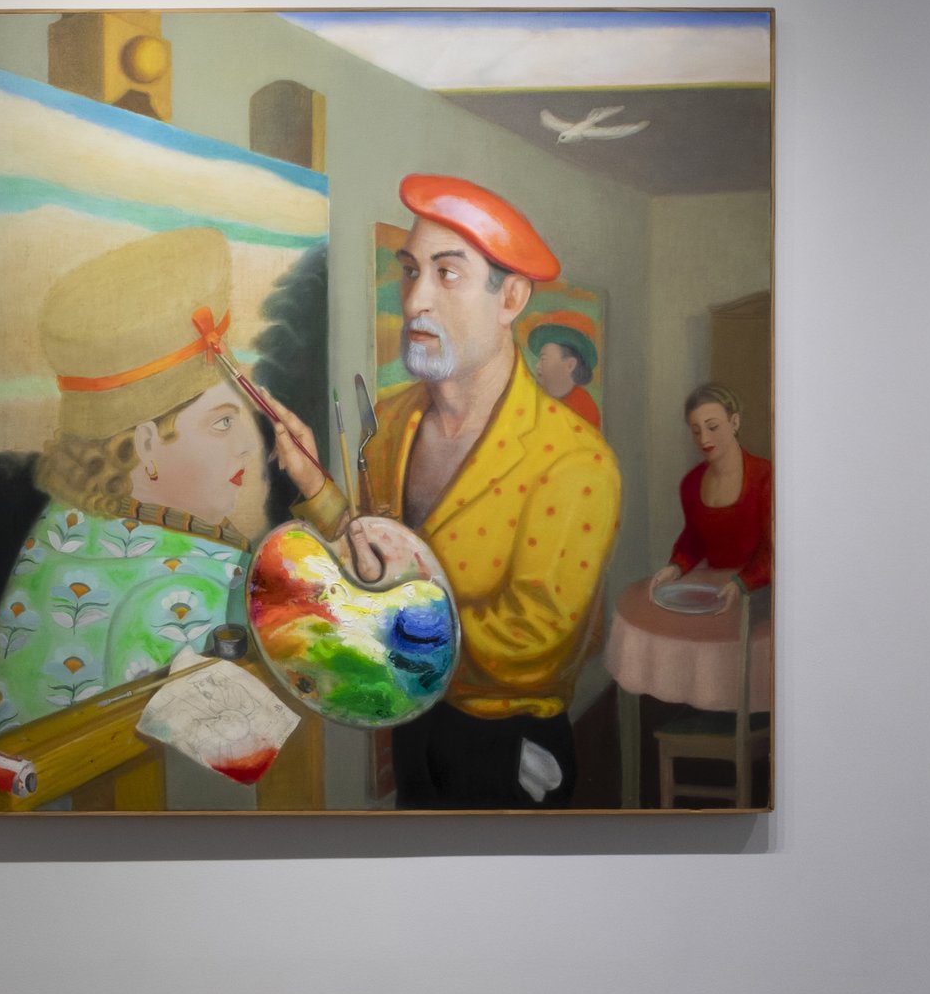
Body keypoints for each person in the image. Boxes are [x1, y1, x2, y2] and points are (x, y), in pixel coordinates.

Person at [270, 174, 622, 809]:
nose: (415, 302)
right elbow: (370, 554)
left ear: (510, 296)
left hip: (507, 748)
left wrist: (373, 626)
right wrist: (312, 481)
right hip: (413, 729)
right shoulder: (392, 421)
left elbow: (533, 643)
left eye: (447, 273)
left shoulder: (574, 459)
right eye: (410, 271)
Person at [0, 228, 309, 740]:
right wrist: (317, 500)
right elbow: (268, 750)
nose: (248, 444)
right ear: (148, 445)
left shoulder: (67, 526)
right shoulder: (186, 595)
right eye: (222, 422)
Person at [651, 381, 772, 603]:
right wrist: (676, 567)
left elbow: (773, 552)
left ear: (734, 423)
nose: (704, 440)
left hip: (758, 593)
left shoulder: (765, 477)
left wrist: (742, 584)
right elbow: (694, 540)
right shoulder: (691, 483)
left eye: (713, 427)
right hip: (713, 590)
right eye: (696, 431)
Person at [526, 309, 603, 429]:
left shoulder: (584, 409)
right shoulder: (533, 402)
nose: (538, 366)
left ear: (570, 365)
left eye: (544, 359)